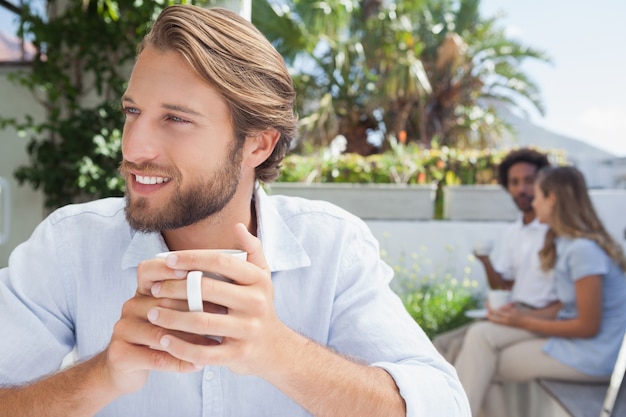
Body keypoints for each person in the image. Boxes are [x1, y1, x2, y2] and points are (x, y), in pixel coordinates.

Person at [0, 5, 469, 417]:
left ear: (257, 145)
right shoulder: (69, 245)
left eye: (176, 119)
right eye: (132, 112)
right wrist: (100, 376)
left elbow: (443, 407)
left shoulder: (332, 247)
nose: (135, 145)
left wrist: (280, 353)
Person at [454, 165, 626, 417]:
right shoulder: (568, 243)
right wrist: (514, 318)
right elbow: (565, 307)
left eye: (537, 196)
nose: (533, 203)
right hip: (577, 344)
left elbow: (588, 326)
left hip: (593, 355)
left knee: (484, 365)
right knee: (481, 337)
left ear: (552, 198)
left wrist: (523, 321)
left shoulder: (582, 250)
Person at [433, 148, 559, 362]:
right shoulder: (513, 232)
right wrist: (485, 262)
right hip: (513, 311)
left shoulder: (556, 231)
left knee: (461, 345)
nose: (522, 189)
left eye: (529, 180)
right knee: (440, 344)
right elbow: (503, 285)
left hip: (542, 317)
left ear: (543, 183)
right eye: (514, 182)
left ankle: (461, 396)